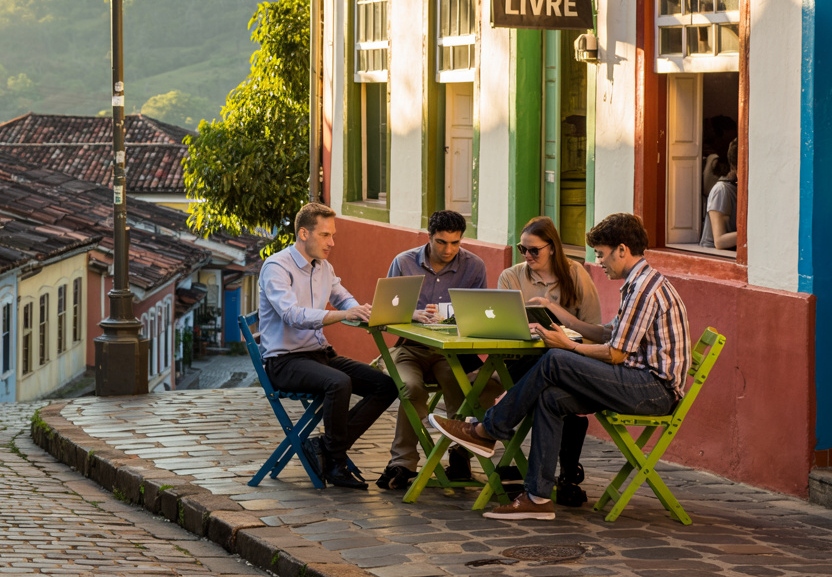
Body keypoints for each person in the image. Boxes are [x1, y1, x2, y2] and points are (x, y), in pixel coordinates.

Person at [431, 212, 691, 521]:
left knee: (554, 358)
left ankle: (488, 429)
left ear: (622, 250)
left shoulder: (644, 289)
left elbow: (617, 354)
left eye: (602, 254)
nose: (600, 261)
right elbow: (607, 333)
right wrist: (556, 310)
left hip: (650, 390)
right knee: (551, 398)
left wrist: (568, 345)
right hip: (634, 381)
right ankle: (538, 498)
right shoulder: (638, 284)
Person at [257, 202, 398, 489]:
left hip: (319, 354)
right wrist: (343, 315)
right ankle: (335, 462)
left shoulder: (324, 266)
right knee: (339, 383)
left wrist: (364, 312)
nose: (332, 242)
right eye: (325, 235)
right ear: (304, 234)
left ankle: (323, 446)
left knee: (387, 385)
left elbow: (344, 298)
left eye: (333, 235)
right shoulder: (276, 267)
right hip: (284, 361)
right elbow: (292, 316)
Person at [376, 209, 487, 491]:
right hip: (409, 349)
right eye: (441, 242)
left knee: (462, 388)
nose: (449, 249)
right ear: (428, 237)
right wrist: (412, 314)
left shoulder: (474, 266)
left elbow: (480, 316)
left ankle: (459, 456)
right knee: (411, 388)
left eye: (455, 243)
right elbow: (385, 313)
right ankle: (403, 463)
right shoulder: (403, 262)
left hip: (449, 352)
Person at [496, 216, 602, 506]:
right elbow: (501, 329)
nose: (527, 256)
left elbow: (594, 327)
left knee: (554, 380)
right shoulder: (511, 277)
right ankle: (565, 476)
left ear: (552, 247)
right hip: (521, 359)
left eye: (534, 250)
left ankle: (493, 425)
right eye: (523, 249)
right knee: (553, 393)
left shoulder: (575, 274)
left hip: (570, 358)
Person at [700, 138, 738, 250]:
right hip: (715, 257)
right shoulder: (721, 190)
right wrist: (755, 235)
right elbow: (719, 241)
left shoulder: (740, 189)